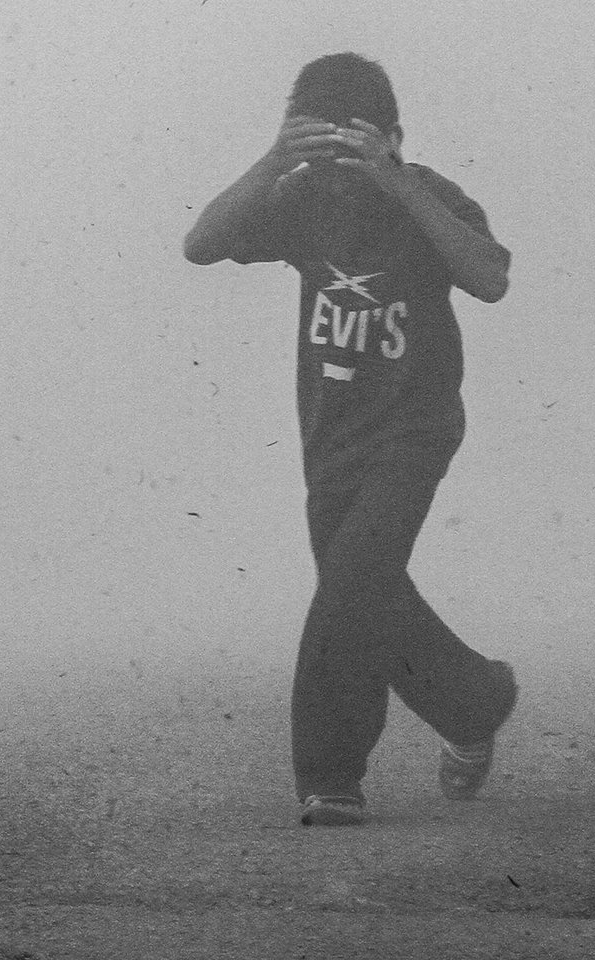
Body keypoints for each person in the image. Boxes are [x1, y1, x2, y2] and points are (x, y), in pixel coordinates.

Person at [183, 52, 518, 827]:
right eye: (320, 153)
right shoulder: (299, 200)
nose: (338, 174)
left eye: (353, 152)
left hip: (414, 428)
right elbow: (200, 245)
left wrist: (395, 178)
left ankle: (331, 777)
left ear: (393, 137)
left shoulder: (427, 196)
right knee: (364, 592)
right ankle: (474, 702)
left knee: (354, 582)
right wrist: (276, 160)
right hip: (331, 436)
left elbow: (490, 277)